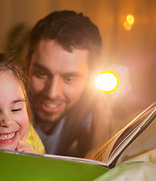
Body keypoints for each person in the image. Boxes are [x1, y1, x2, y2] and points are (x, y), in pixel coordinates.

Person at [24, 10, 111, 157]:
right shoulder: (6, 96)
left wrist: (102, 107)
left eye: (69, 79)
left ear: (90, 76)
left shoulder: (89, 101)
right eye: (42, 74)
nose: (52, 93)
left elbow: (94, 168)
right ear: (27, 62)